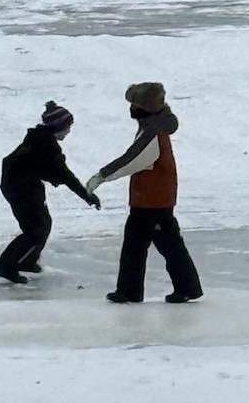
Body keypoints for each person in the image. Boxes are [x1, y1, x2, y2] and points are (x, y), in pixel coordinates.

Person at [86, 81, 204, 305]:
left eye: (134, 104)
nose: (131, 109)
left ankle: (173, 288)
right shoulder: (152, 126)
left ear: (145, 107)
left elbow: (132, 160)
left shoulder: (153, 132)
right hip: (151, 200)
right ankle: (142, 290)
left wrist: (101, 176)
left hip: (153, 202)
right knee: (146, 246)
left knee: (158, 247)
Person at [0, 100, 100, 284]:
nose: (69, 131)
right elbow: (66, 176)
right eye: (67, 127)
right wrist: (87, 196)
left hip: (22, 185)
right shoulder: (46, 147)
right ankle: (5, 265)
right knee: (35, 229)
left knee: (43, 224)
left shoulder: (39, 138)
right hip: (21, 189)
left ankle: (27, 260)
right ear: (58, 127)